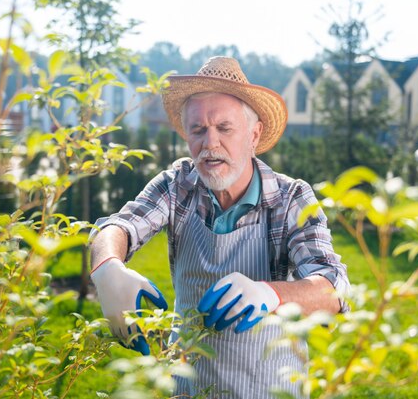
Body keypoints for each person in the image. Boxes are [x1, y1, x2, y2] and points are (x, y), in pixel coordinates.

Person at [89, 56, 350, 398]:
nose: (209, 143)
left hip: (270, 389)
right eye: (198, 130)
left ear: (253, 134)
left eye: (224, 128)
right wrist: (107, 267)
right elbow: (119, 226)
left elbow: (334, 287)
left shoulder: (290, 198)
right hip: (189, 385)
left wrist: (271, 294)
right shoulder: (176, 186)